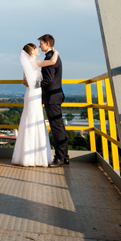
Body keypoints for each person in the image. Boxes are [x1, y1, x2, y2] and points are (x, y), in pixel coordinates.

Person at [12, 43, 57, 167]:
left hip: (31, 94)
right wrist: (56, 51)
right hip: (34, 95)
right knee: (35, 120)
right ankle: (35, 157)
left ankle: (27, 157)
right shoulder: (33, 63)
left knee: (30, 120)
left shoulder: (28, 64)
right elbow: (52, 62)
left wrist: (32, 84)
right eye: (36, 49)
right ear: (32, 52)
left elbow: (24, 82)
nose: (38, 49)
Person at [38, 34, 68, 166]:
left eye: (41, 43)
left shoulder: (50, 57)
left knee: (57, 128)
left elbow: (48, 80)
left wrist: (35, 84)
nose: (40, 46)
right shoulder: (52, 56)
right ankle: (64, 156)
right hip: (55, 96)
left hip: (52, 97)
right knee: (59, 127)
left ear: (48, 43)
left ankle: (60, 158)